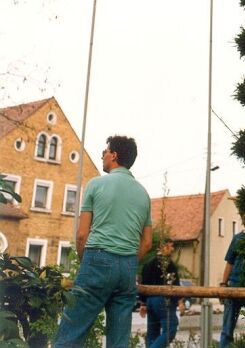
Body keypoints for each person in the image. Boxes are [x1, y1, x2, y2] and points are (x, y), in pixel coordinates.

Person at [54, 135, 153, 348]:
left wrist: (87, 263)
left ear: (114, 155)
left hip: (97, 260)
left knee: (70, 335)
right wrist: (127, 261)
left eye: (105, 152)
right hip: (127, 269)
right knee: (119, 342)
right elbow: (146, 243)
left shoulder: (96, 184)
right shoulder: (143, 194)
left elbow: (82, 235)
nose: (103, 156)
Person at [139, 238, 185, 348]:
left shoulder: (148, 265)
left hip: (150, 301)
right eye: (170, 246)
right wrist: (180, 302)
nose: (172, 249)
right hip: (163, 301)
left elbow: (143, 284)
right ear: (162, 247)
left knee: (152, 335)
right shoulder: (169, 265)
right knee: (171, 329)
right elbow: (175, 284)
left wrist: (143, 304)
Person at [219, 227, 245, 348]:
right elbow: (229, 263)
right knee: (227, 329)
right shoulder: (237, 239)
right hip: (234, 286)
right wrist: (223, 283)